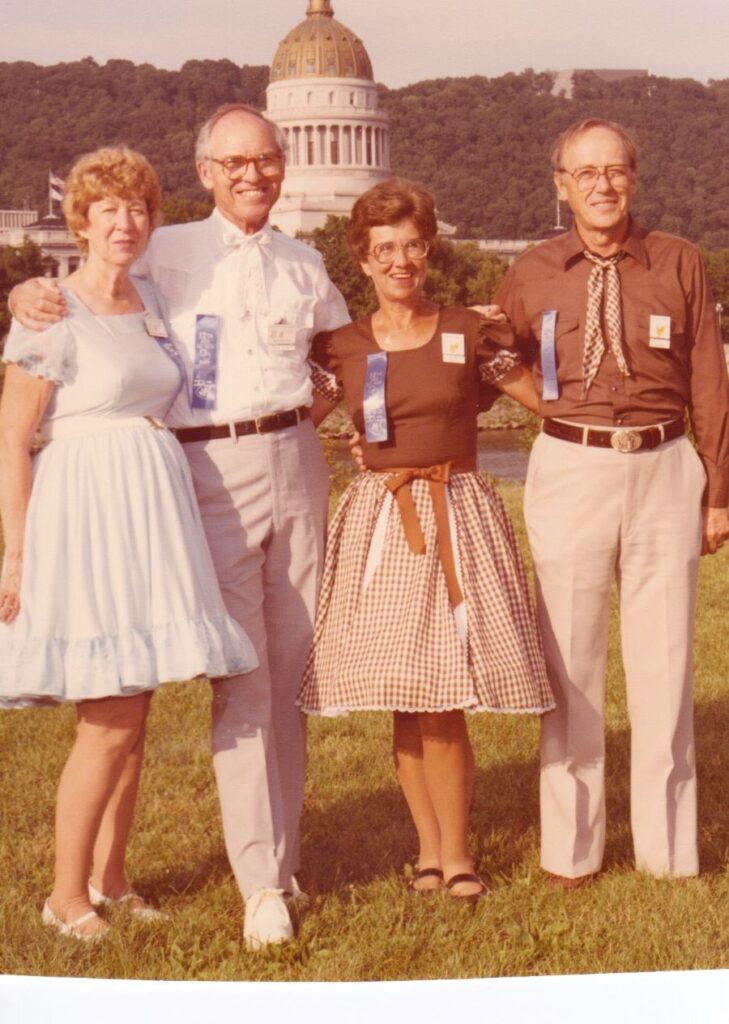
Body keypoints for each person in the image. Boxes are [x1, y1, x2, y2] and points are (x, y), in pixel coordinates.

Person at [9, 104, 350, 948]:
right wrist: (26, 289)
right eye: (232, 161)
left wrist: (349, 395)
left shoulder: (301, 261)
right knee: (219, 680)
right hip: (175, 480)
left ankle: (248, 862)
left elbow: (353, 355)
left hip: (264, 467)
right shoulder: (162, 253)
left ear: (285, 164)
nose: (250, 174)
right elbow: (27, 391)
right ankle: (249, 884)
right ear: (204, 173)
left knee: (276, 672)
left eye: (265, 159)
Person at [0, 147, 257, 939]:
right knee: (107, 717)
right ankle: (64, 896)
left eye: (139, 208)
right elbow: (12, 440)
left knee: (135, 708)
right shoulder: (50, 313)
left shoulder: (149, 299)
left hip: (151, 508)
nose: (126, 222)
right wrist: (13, 555)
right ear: (79, 220)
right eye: (107, 209)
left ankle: (111, 877)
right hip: (86, 518)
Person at [298, 179, 554, 899]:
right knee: (406, 697)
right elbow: (292, 417)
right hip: (381, 521)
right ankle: (427, 854)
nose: (400, 261)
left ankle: (459, 852)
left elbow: (543, 396)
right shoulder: (342, 346)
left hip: (454, 511)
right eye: (385, 249)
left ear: (427, 249)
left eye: (412, 246)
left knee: (443, 695)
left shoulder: (466, 331)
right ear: (363, 258)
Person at [493, 118, 729, 887]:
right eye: (583, 172)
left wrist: (717, 494)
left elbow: (707, 380)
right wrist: (547, 411)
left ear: (634, 176)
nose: (601, 184)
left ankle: (667, 851)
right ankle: (572, 849)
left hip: (663, 463)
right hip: (571, 465)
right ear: (559, 184)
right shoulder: (531, 270)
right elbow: (496, 358)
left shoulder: (677, 261)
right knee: (569, 662)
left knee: (662, 660)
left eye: (614, 170)